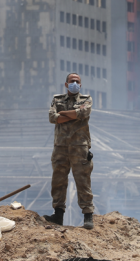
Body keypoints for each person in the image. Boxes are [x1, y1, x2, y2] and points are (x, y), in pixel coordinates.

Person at [44, 72, 94, 229]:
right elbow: (52, 118)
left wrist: (63, 114)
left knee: (83, 180)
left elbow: (83, 112)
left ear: (81, 84)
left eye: (77, 81)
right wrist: (74, 115)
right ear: (66, 84)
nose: (75, 83)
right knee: (58, 181)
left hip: (80, 147)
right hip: (61, 147)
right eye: (72, 81)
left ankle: (88, 215)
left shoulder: (86, 99)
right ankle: (58, 214)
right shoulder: (57, 99)